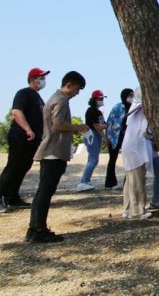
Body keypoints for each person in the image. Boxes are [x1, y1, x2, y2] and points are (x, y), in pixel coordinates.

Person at [27, 71, 90, 242]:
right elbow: (58, 125)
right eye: (77, 89)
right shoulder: (61, 100)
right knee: (45, 192)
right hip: (54, 152)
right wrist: (79, 127)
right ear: (69, 85)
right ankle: (39, 230)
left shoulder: (56, 98)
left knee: (42, 192)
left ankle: (34, 229)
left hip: (51, 151)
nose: (77, 93)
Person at [0, 68, 49, 213]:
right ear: (33, 79)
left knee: (23, 167)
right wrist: (28, 129)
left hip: (33, 139)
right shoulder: (24, 93)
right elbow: (16, 112)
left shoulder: (37, 97)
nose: (43, 81)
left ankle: (12, 197)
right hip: (21, 136)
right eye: (41, 77)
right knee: (13, 167)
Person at [121, 88, 153, 220]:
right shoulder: (141, 110)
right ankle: (138, 211)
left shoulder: (134, 107)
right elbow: (145, 131)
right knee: (137, 180)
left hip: (130, 147)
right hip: (136, 149)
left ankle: (127, 209)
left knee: (130, 180)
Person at [76, 90, 108, 192]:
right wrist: (104, 137)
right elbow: (97, 126)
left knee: (93, 159)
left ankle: (86, 180)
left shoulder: (98, 112)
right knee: (93, 159)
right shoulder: (91, 111)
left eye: (102, 99)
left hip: (96, 135)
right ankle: (83, 182)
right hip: (92, 135)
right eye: (100, 99)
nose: (101, 100)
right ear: (94, 99)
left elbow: (102, 124)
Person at [104, 88, 133, 190]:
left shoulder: (134, 108)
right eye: (130, 95)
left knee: (128, 160)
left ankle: (127, 182)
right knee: (112, 159)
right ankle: (110, 182)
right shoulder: (117, 107)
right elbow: (109, 122)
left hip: (128, 137)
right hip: (115, 136)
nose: (131, 97)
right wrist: (107, 136)